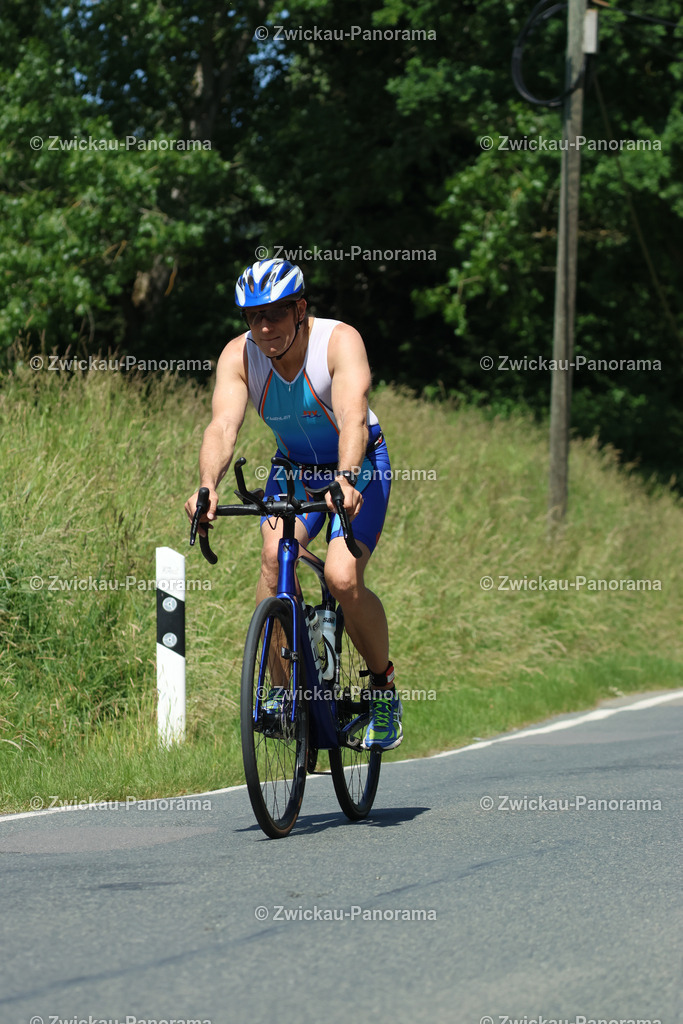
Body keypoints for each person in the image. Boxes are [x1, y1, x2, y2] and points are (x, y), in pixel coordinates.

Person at [185, 258, 402, 750]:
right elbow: (222, 427)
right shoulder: (239, 356)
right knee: (271, 559)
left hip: (359, 463)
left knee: (342, 578)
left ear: (301, 310)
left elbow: (351, 416)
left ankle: (383, 690)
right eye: (254, 317)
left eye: (278, 314)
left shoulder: (338, 341)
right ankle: (284, 695)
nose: (265, 327)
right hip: (296, 466)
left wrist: (346, 478)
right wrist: (207, 486)